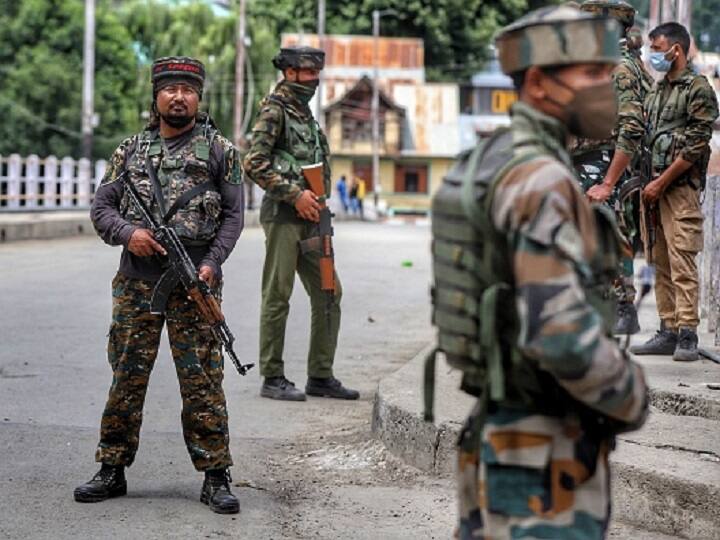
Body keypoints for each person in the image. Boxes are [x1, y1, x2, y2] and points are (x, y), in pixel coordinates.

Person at [430, 7, 648, 538]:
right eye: (592, 74)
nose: (608, 87)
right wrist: (632, 395)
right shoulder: (542, 179)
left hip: (498, 433)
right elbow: (559, 335)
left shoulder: (494, 156)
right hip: (541, 455)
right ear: (537, 82)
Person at [75, 56, 245, 514]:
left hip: (195, 286)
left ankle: (215, 475)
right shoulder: (129, 151)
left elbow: (233, 217)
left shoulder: (220, 151)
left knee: (203, 383)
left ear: (198, 97)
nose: (178, 96)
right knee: (126, 379)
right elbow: (102, 208)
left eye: (187, 89)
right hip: (136, 284)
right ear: (156, 96)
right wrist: (131, 234)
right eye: (170, 88)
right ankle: (111, 467)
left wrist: (210, 264)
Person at [243, 46, 359, 401]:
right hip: (285, 218)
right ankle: (272, 376)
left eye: (316, 73)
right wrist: (295, 196)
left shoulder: (304, 113)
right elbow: (254, 162)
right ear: (289, 72)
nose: (314, 79)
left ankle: (320, 376)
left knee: (329, 291)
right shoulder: (274, 109)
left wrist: (317, 201)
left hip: (315, 217)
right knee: (278, 294)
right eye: (307, 72)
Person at [631, 22, 718, 361]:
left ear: (676, 50)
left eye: (658, 48)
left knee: (682, 259)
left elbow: (696, 145)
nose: (654, 55)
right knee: (658, 258)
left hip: (677, 189)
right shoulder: (657, 90)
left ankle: (687, 334)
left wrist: (661, 182)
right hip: (651, 189)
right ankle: (667, 329)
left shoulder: (697, 89)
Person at [571, 0, 653, 335]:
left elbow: (632, 127)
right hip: (592, 164)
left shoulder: (618, 68)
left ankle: (622, 307)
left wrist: (608, 182)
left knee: (611, 234)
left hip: (606, 167)